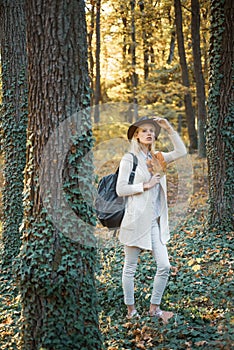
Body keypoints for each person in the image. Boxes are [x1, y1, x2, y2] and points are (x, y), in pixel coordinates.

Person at [116, 116, 187, 323]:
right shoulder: (129, 158)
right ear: (136, 135)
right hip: (135, 220)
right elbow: (120, 189)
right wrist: (144, 186)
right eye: (144, 130)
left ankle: (154, 308)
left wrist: (168, 127)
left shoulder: (158, 157)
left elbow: (181, 152)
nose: (149, 133)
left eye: (152, 130)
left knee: (164, 266)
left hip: (154, 221)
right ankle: (131, 310)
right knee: (130, 268)